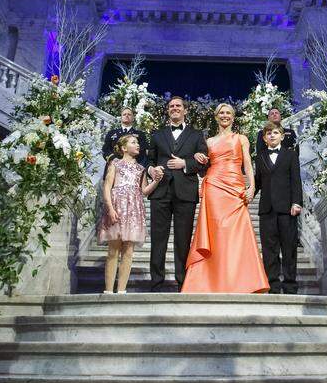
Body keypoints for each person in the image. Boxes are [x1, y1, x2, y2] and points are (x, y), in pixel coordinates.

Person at [180, 103, 270, 294]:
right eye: (221, 112)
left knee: (236, 234)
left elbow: (247, 164)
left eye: (228, 112)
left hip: (235, 187)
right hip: (214, 186)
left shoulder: (241, 138)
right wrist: (199, 157)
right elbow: (203, 165)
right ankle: (208, 281)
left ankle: (240, 281)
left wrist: (252, 186)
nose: (225, 115)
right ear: (216, 116)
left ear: (233, 116)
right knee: (215, 233)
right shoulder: (209, 141)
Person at [146, 96, 209, 291]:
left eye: (178, 106)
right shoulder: (157, 134)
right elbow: (148, 161)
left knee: (183, 240)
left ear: (185, 110)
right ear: (168, 110)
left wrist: (185, 164)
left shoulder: (197, 135)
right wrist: (151, 171)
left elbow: (204, 162)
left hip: (185, 193)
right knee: (158, 239)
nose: (174, 108)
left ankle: (183, 282)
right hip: (161, 192)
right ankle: (156, 282)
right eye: (171, 106)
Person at [98, 134, 161, 293]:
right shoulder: (115, 163)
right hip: (117, 207)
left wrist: (156, 181)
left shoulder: (141, 169)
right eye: (134, 142)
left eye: (138, 142)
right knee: (113, 250)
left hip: (134, 210)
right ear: (124, 148)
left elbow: (144, 191)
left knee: (128, 251)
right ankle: (108, 290)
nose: (138, 145)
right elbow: (107, 187)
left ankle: (121, 290)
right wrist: (110, 208)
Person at [254, 122, 303, 294]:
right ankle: (273, 284)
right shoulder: (259, 157)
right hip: (267, 209)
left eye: (275, 132)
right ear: (264, 137)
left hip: (287, 209)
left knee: (289, 248)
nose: (272, 135)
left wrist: (297, 202)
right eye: (268, 133)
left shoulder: (290, 155)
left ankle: (290, 284)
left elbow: (296, 180)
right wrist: (246, 196)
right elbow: (257, 182)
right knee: (269, 249)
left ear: (282, 136)